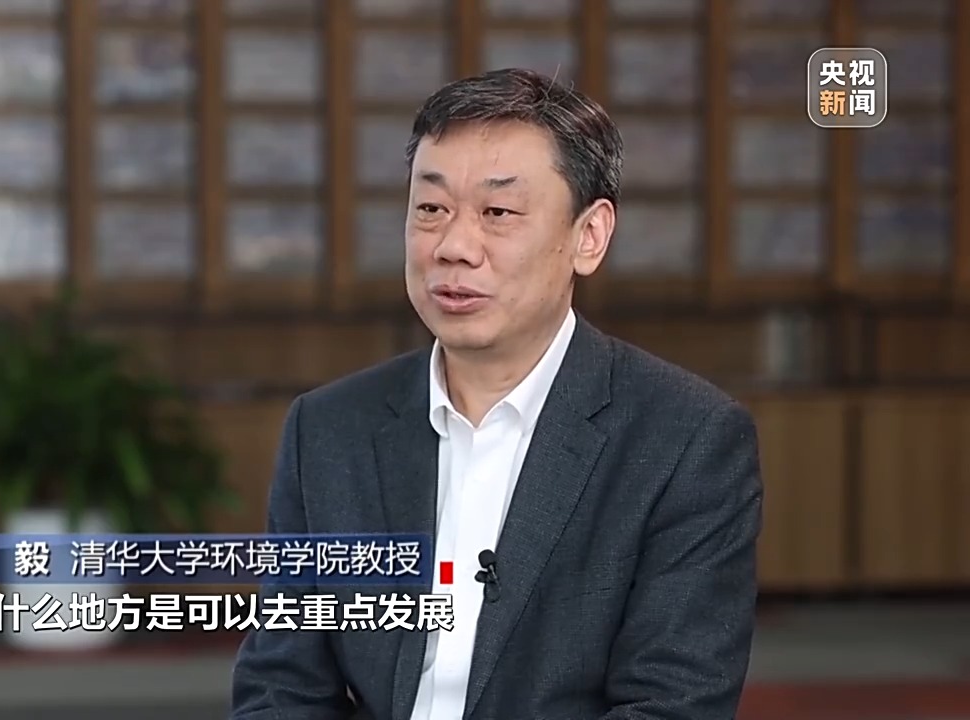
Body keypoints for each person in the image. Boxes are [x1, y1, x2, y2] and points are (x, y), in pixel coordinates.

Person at [230, 68, 763, 720]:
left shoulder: (686, 440)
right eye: (431, 209)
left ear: (589, 236)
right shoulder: (328, 428)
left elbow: (673, 705)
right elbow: (280, 688)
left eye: (498, 213)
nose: (454, 247)